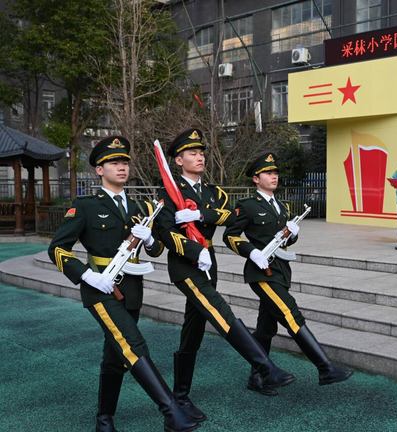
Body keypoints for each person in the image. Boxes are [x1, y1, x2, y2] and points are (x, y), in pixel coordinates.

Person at [48, 136, 200, 432]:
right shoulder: (86, 206)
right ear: (99, 170)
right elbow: (57, 248)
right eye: (114, 163)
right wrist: (87, 275)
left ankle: (104, 420)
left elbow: (155, 251)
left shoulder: (141, 207)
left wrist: (151, 239)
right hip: (99, 288)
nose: (122, 167)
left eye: (125, 162)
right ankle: (171, 411)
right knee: (132, 343)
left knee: (115, 355)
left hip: (130, 290)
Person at [156, 129, 295, 408]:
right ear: (179, 160)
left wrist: (200, 214)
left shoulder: (212, 192)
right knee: (219, 310)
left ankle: (180, 396)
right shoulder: (169, 191)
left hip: (209, 261)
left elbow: (231, 215)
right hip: (185, 264)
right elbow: (165, 231)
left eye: (201, 153)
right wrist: (194, 250)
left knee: (193, 329)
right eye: (193, 153)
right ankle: (264, 366)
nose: (200, 157)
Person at [223, 152, 353, 394]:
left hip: (281, 271)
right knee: (290, 314)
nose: (274, 176)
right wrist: (252, 252)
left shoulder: (283, 206)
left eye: (275, 173)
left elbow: (285, 242)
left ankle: (258, 377)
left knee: (266, 328)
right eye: (268, 173)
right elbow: (229, 236)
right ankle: (325, 368)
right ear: (256, 179)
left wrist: (292, 235)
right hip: (261, 273)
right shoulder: (247, 205)